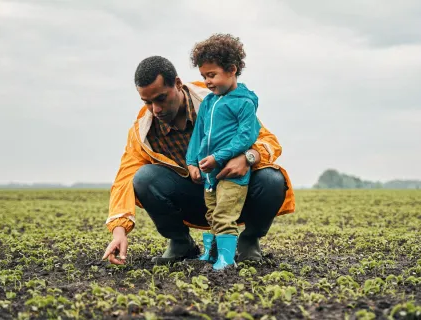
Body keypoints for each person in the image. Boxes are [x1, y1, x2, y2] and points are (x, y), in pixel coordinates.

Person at [101, 54, 295, 265]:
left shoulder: (217, 100)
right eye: (147, 102)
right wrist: (119, 231)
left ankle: (249, 241)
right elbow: (124, 177)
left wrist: (248, 157)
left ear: (177, 84)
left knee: (272, 179)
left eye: (161, 98)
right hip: (195, 196)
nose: (155, 110)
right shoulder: (143, 131)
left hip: (234, 193)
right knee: (144, 177)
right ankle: (180, 242)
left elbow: (268, 141)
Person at [186, 34, 261, 270]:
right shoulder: (208, 102)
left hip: (232, 174)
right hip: (209, 175)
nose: (207, 81)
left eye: (212, 75)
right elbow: (198, 134)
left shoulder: (244, 102)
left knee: (224, 215)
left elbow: (246, 136)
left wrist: (218, 157)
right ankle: (212, 253)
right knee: (211, 214)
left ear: (231, 70)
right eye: (203, 76)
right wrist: (192, 162)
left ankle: (226, 261)